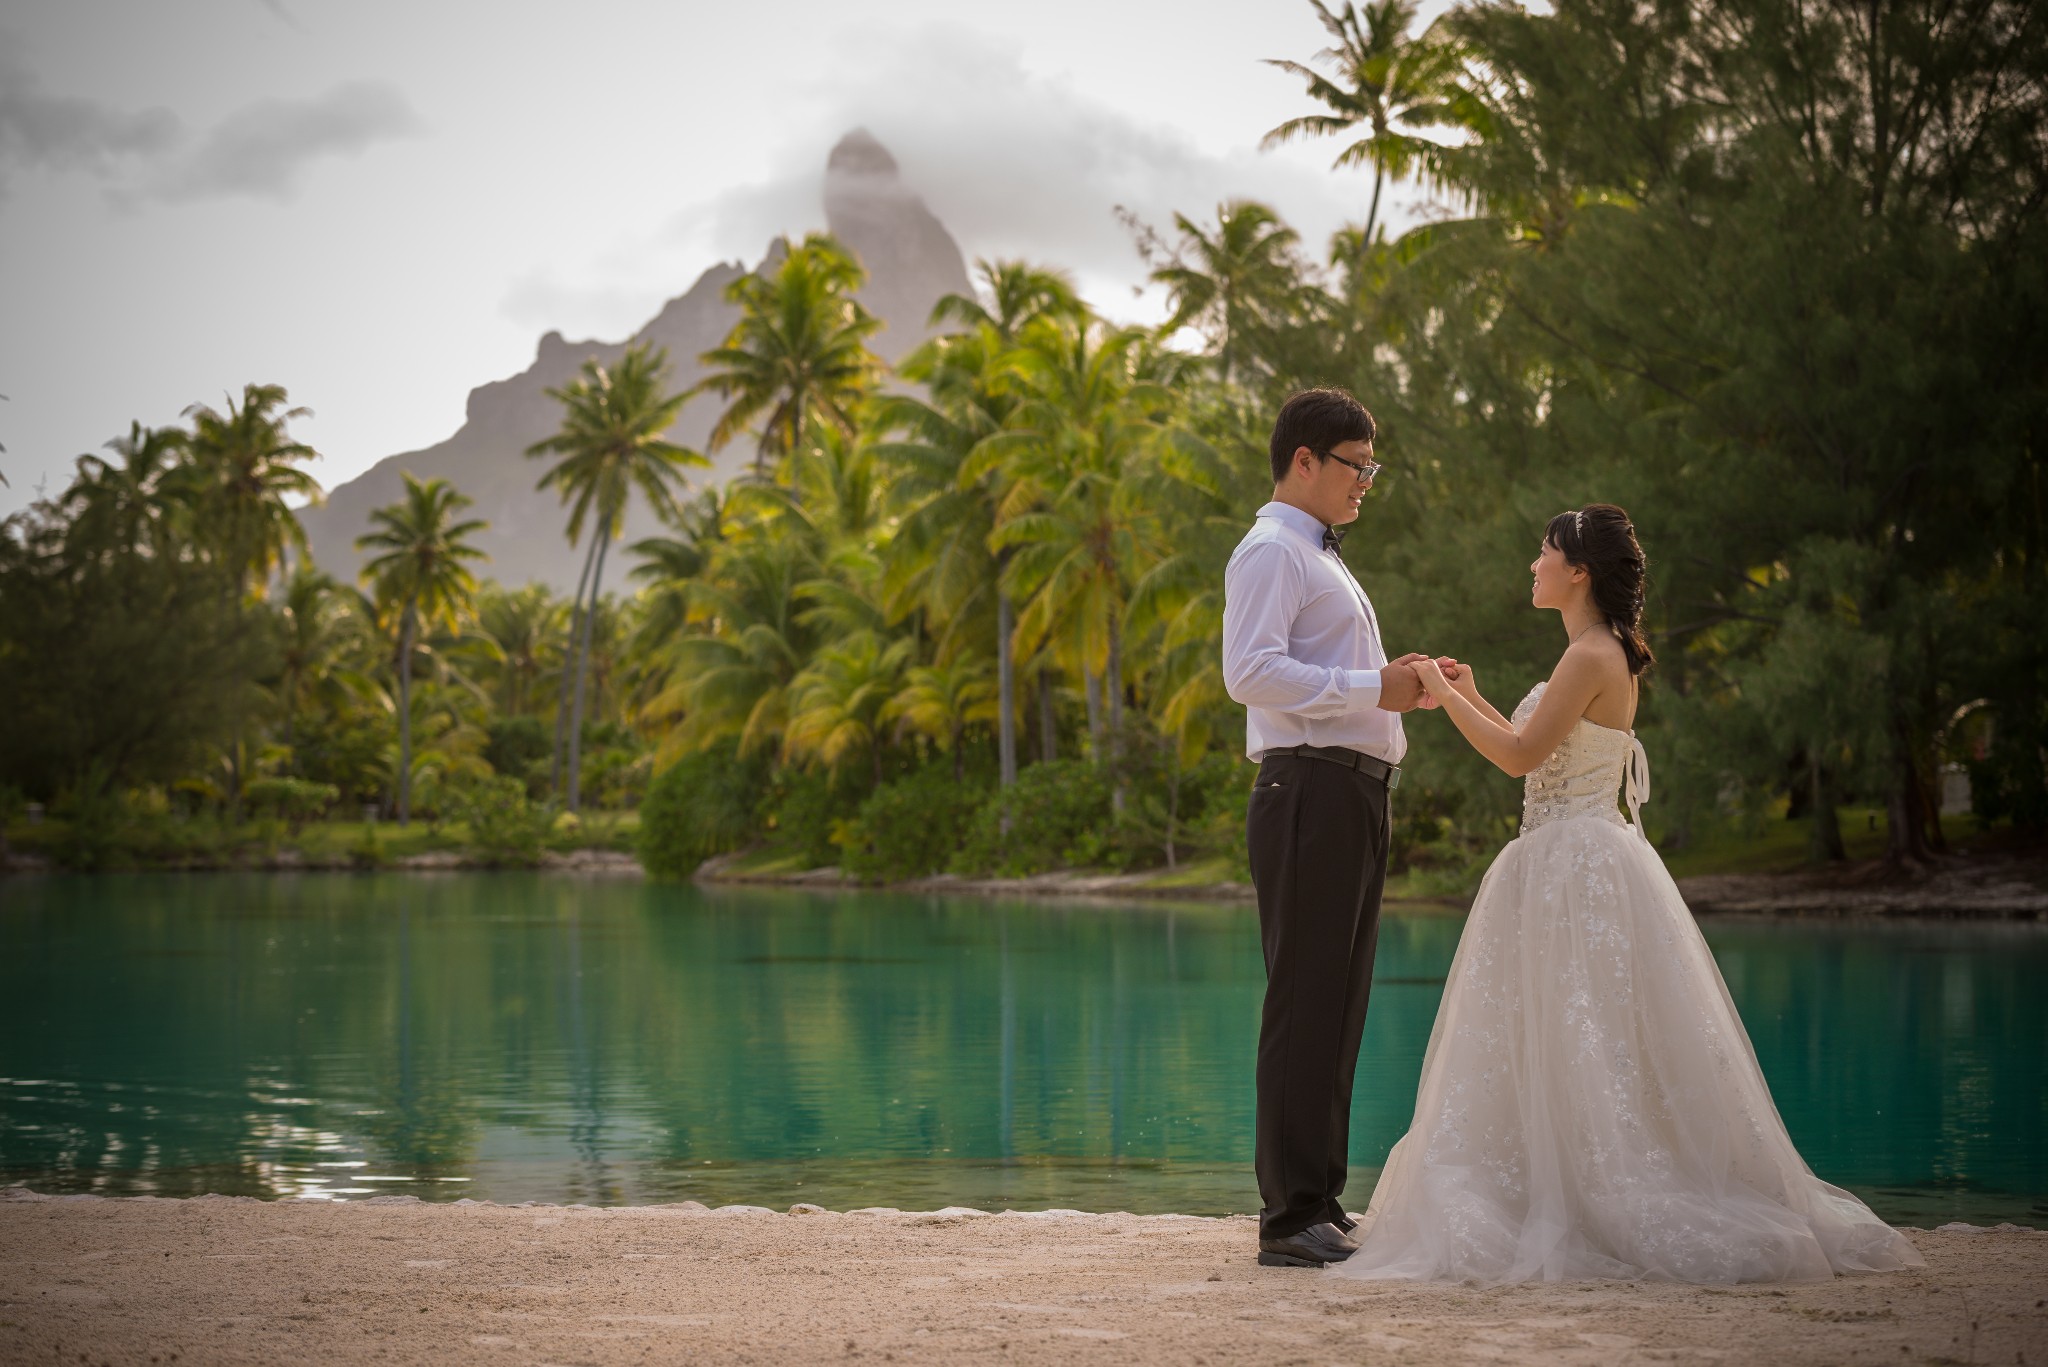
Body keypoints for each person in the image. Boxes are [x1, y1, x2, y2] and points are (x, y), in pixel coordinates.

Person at [1331, 504, 1925, 1283]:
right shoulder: (1591, 650)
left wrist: (1443, 703)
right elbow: (1533, 751)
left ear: (1578, 571)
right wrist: (1470, 692)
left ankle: (1589, 1196)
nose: (1534, 564)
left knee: (1584, 1035)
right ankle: (1562, 1186)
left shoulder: (1589, 655)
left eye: (1544, 553)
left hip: (1573, 865)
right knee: (1571, 1035)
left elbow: (1518, 757)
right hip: (1565, 861)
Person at [1221, 387, 1453, 1269]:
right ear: (1304, 461)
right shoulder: (1272, 549)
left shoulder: (1320, 556)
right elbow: (1250, 672)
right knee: (1304, 996)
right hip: (1308, 790)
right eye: (1356, 465)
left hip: (1351, 791)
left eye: (1371, 466)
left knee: (1341, 1001)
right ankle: (1288, 1218)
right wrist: (1372, 690)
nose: (1367, 482)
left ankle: (1319, 1198)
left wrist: (1407, 682)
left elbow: (1330, 673)